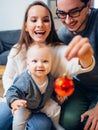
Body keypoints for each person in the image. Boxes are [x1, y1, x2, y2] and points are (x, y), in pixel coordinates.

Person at [0, 1, 94, 130]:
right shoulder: (17, 50)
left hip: (42, 105)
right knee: (2, 117)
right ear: (26, 26)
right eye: (34, 20)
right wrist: (14, 100)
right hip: (18, 101)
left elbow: (78, 65)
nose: (40, 24)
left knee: (42, 126)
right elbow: (8, 77)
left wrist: (86, 58)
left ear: (51, 25)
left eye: (45, 20)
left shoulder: (58, 49)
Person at [56, 0, 98, 130]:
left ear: (88, 5)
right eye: (62, 13)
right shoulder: (62, 34)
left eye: (74, 12)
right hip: (80, 87)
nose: (68, 21)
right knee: (67, 121)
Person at [6, 44, 65, 130]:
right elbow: (12, 90)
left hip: (42, 104)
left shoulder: (50, 78)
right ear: (28, 64)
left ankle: (56, 125)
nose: (40, 65)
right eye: (35, 61)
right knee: (19, 119)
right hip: (25, 105)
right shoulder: (25, 80)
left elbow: (52, 89)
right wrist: (14, 101)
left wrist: (57, 95)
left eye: (45, 61)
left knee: (55, 108)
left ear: (51, 63)